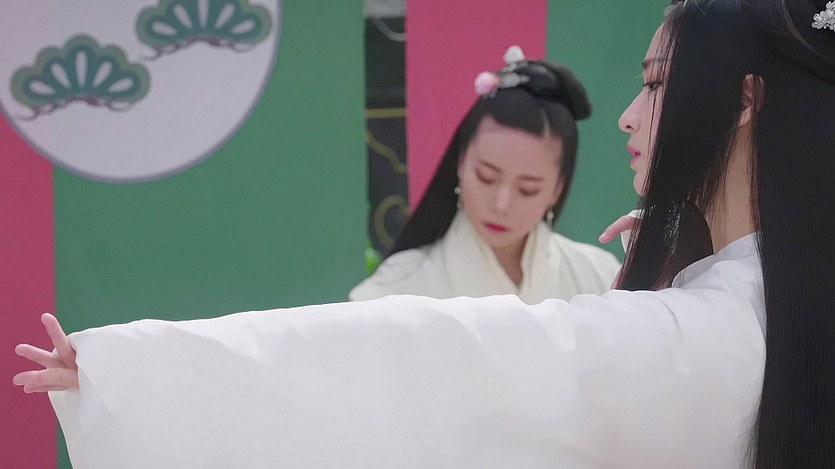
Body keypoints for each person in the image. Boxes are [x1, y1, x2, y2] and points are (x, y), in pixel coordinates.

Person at [13, 0, 834, 467]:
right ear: (456, 171)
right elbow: (409, 350)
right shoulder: (737, 299)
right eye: (486, 174)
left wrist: (144, 371)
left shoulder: (686, 317)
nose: (628, 115)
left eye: (655, 84)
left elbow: (420, 359)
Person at [350, 47, 620, 303]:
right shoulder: (397, 288)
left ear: (557, 188)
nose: (501, 204)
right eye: (486, 177)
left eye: (528, 189)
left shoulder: (599, 277)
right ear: (460, 163)